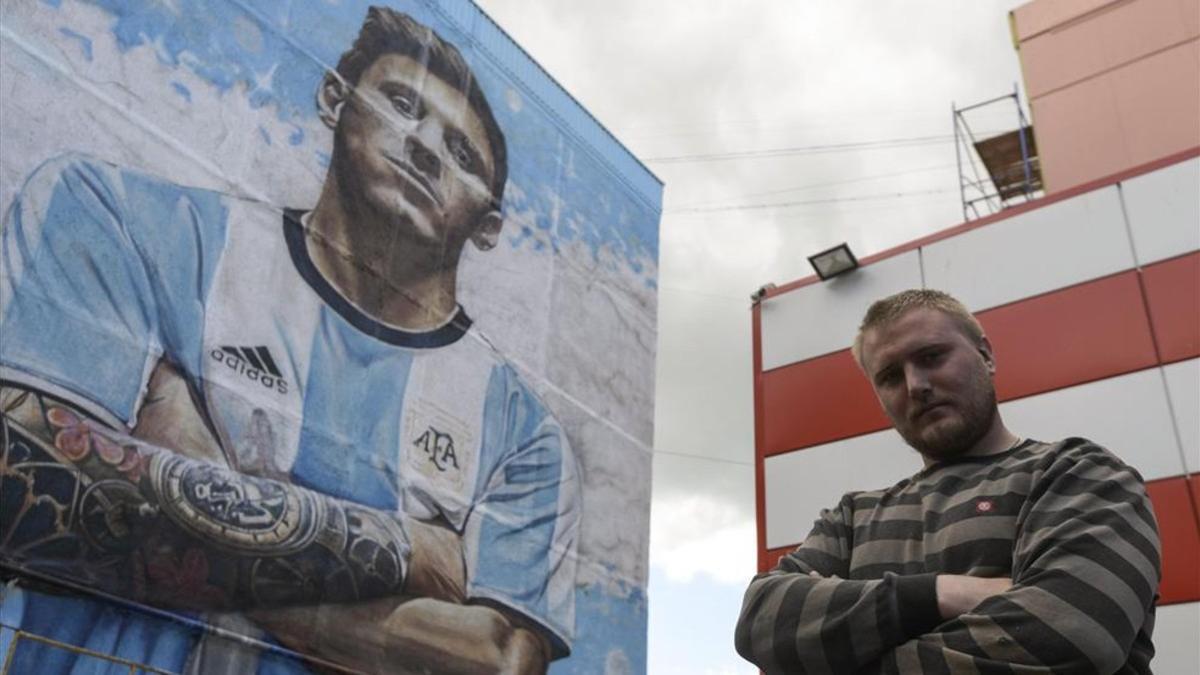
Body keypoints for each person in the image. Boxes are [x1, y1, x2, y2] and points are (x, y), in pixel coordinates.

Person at [0, 6, 578, 674]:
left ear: (490, 226)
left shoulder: (525, 435)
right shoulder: (127, 219)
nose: (425, 147)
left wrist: (192, 473)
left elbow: (496, 661)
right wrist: (412, 551)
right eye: (401, 103)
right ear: (334, 96)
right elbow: (26, 491)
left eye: (461, 154)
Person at [734, 289, 1160, 674]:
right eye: (889, 376)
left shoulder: (1077, 472)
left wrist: (844, 647)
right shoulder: (852, 517)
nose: (915, 385)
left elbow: (1071, 633)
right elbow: (761, 620)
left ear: (986, 356)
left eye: (932, 357)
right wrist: (942, 593)